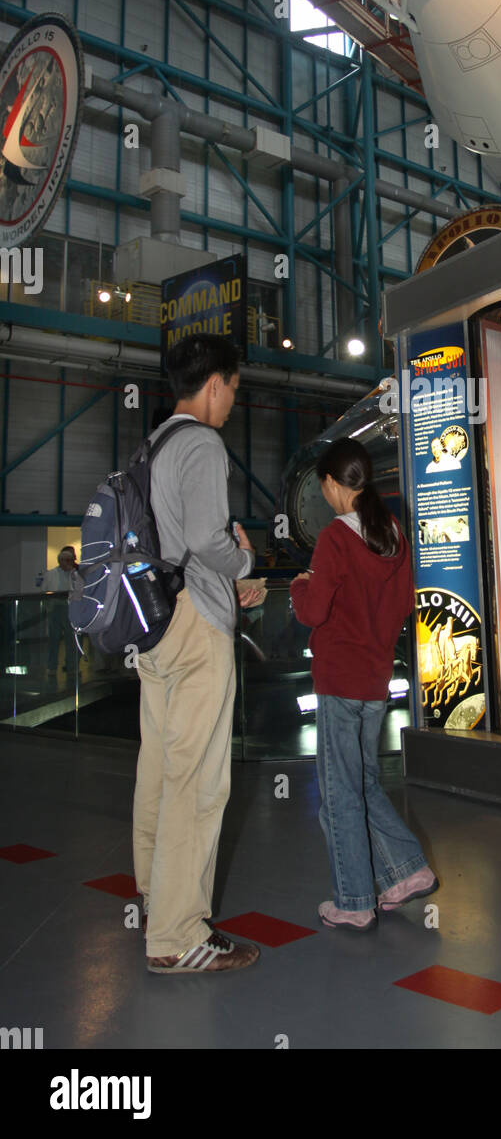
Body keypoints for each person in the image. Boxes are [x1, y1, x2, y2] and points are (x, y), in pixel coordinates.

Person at [133, 334, 262, 974]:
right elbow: (213, 542)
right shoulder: (203, 444)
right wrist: (245, 559)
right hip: (196, 621)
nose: (234, 400)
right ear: (214, 382)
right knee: (200, 780)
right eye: (233, 386)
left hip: (151, 623)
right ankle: (178, 934)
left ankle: (157, 898)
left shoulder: (152, 443)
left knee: (157, 764)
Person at [291, 439, 437, 930]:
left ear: (332, 484)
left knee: (338, 794)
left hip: (338, 678)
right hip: (375, 679)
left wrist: (299, 583)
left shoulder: (335, 537)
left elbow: (313, 611)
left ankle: (354, 900)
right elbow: (402, 605)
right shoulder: (391, 532)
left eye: (323, 487)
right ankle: (407, 871)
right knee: (363, 782)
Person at [39, 546, 79, 686]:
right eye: (63, 560)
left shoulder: (75, 574)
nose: (66, 562)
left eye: (68, 560)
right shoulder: (51, 574)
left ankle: (71, 666)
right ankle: (52, 666)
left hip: (69, 607)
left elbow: (79, 589)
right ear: (59, 560)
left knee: (70, 638)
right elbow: (44, 588)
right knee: (54, 638)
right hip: (55, 606)